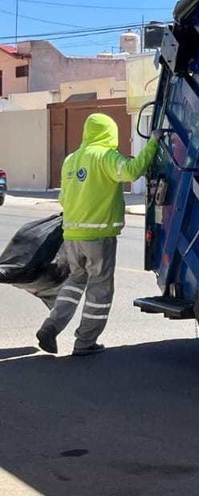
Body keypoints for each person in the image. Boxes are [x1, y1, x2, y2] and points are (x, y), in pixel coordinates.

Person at [35, 114, 158, 356]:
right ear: (108, 133)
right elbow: (132, 172)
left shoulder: (71, 160)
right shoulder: (105, 156)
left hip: (71, 235)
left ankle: (50, 327)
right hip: (98, 236)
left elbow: (63, 197)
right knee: (100, 289)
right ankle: (85, 342)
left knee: (74, 282)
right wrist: (152, 143)